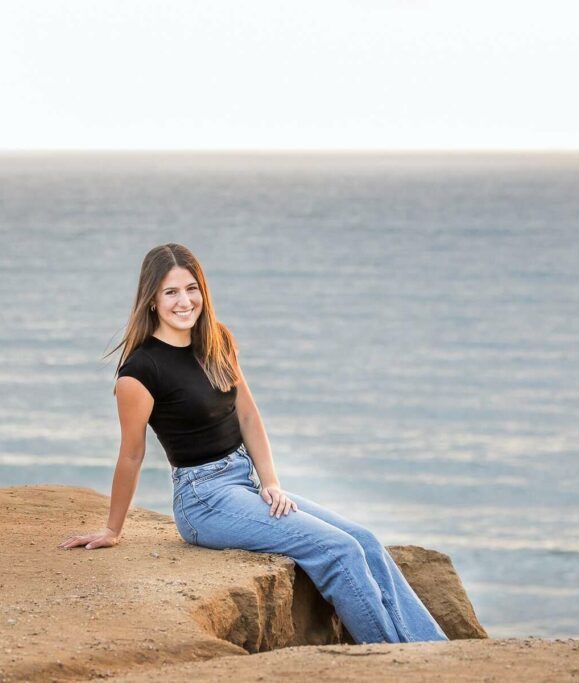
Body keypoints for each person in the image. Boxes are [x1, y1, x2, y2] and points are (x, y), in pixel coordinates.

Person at [57, 243, 448, 644]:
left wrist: (271, 482)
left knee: (363, 539)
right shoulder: (139, 371)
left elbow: (248, 416)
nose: (184, 301)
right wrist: (112, 528)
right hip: (203, 499)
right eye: (171, 292)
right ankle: (395, 657)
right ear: (152, 300)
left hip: (244, 480)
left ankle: (434, 653)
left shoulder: (216, 341)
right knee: (337, 550)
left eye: (191, 289)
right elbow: (132, 455)